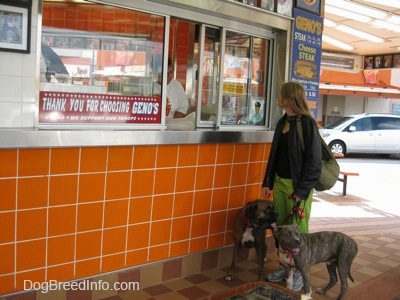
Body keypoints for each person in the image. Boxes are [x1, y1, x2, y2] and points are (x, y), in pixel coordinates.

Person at [262, 82, 322, 291]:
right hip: (280, 183)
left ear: (291, 98)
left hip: (298, 188)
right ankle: (285, 268)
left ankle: (299, 273)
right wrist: (268, 181)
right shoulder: (282, 121)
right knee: (281, 231)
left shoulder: (307, 123)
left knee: (298, 234)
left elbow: (314, 162)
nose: (278, 96)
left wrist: (302, 191)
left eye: (282, 94)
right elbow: (274, 155)